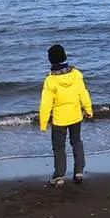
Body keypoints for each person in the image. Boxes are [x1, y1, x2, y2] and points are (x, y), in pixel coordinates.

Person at [38, 44, 93, 186]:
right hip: (75, 115)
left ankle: (59, 175)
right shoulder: (76, 74)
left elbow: (46, 104)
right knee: (77, 141)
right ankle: (79, 171)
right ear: (65, 57)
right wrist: (88, 110)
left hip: (59, 119)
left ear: (50, 61)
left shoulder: (50, 80)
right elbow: (83, 94)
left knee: (59, 147)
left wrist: (43, 123)